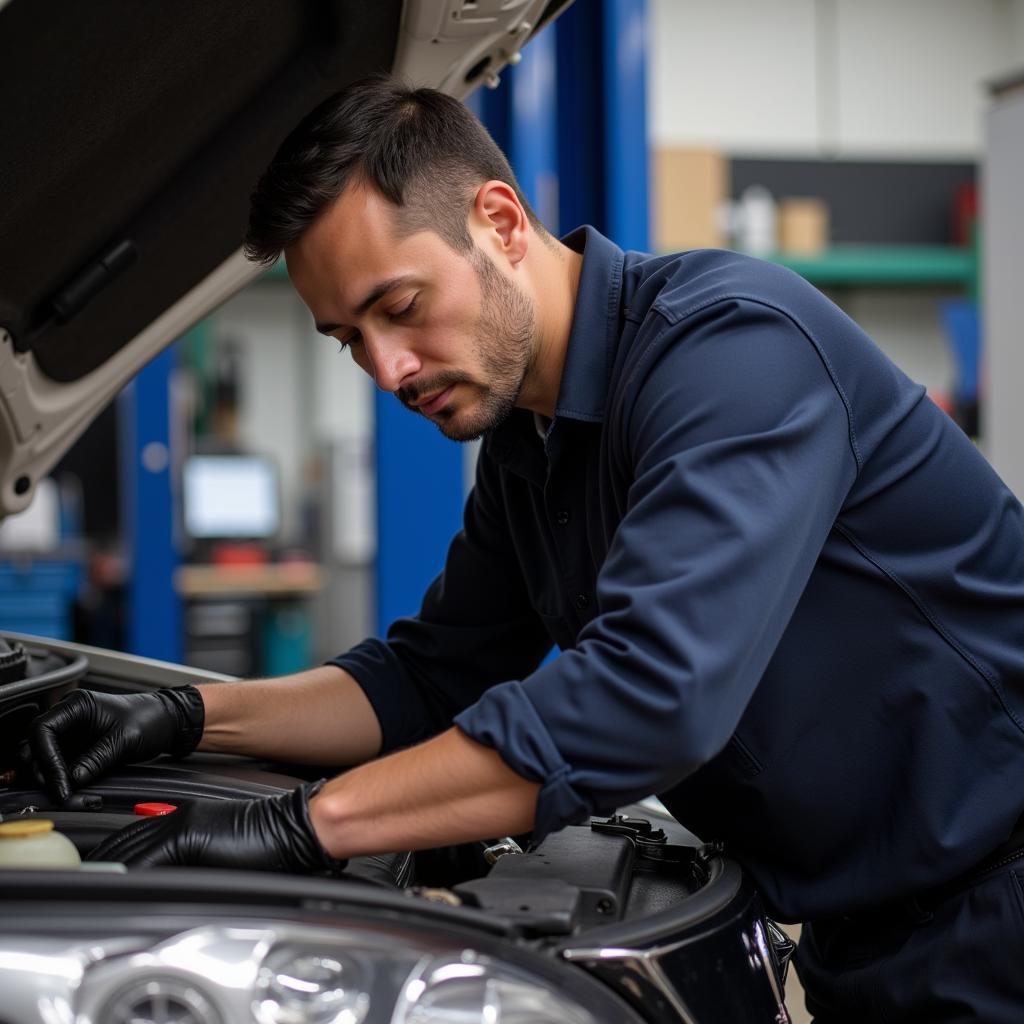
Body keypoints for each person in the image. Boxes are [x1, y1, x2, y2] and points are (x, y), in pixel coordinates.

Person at [21, 74, 1024, 1020]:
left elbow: (649, 695)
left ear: (499, 222)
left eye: (399, 308)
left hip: (997, 901)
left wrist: (301, 825)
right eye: (347, 340)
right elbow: (424, 675)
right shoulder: (528, 445)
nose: (388, 369)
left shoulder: (732, 353)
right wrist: (178, 717)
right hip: (867, 927)